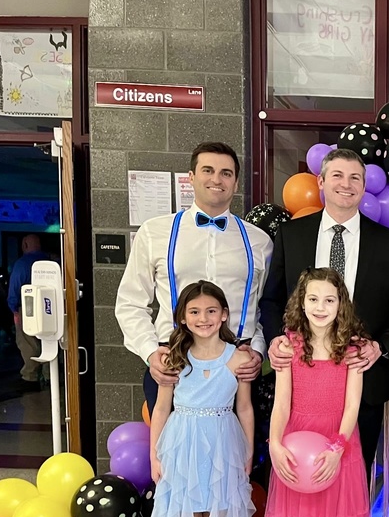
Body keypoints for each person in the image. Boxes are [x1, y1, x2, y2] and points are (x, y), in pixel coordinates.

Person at [260, 147, 389, 517]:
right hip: (302, 388)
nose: (346, 184)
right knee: (295, 484)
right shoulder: (292, 235)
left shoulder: (387, 242)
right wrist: (276, 341)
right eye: (337, 176)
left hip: (358, 390)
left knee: (349, 485)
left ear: (364, 185)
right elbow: (272, 301)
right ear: (322, 180)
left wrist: (382, 347)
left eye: (355, 177)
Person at [256, 269, 373, 517]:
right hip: (297, 446)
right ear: (301, 303)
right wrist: (274, 442)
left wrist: (338, 447)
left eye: (329, 300)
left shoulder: (352, 348)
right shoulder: (290, 346)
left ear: (341, 305)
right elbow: (282, 402)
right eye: (313, 299)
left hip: (338, 447)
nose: (320, 307)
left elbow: (353, 403)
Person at [115, 142, 272, 411]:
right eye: (207, 170)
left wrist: (257, 349)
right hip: (174, 362)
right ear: (191, 177)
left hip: (237, 365)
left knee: (236, 450)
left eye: (226, 173)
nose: (216, 179)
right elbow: (130, 302)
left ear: (235, 183)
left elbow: (264, 306)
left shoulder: (260, 241)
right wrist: (151, 352)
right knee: (173, 449)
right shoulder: (155, 232)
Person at [144, 281, 258, 517]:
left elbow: (244, 407)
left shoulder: (238, 358)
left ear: (224, 314)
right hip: (183, 443)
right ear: (182, 317)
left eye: (211, 311)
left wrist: (249, 451)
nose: (203, 318)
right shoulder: (173, 357)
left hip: (224, 443)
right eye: (194, 312)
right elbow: (161, 408)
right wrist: (155, 454)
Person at [6, 234, 53, 390]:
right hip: (51, 306)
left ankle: (30, 377)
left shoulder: (21, 264)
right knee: (49, 342)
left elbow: (14, 289)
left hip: (27, 308)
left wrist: (14, 310)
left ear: (25, 245)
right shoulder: (53, 261)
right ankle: (49, 376)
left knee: (28, 343)